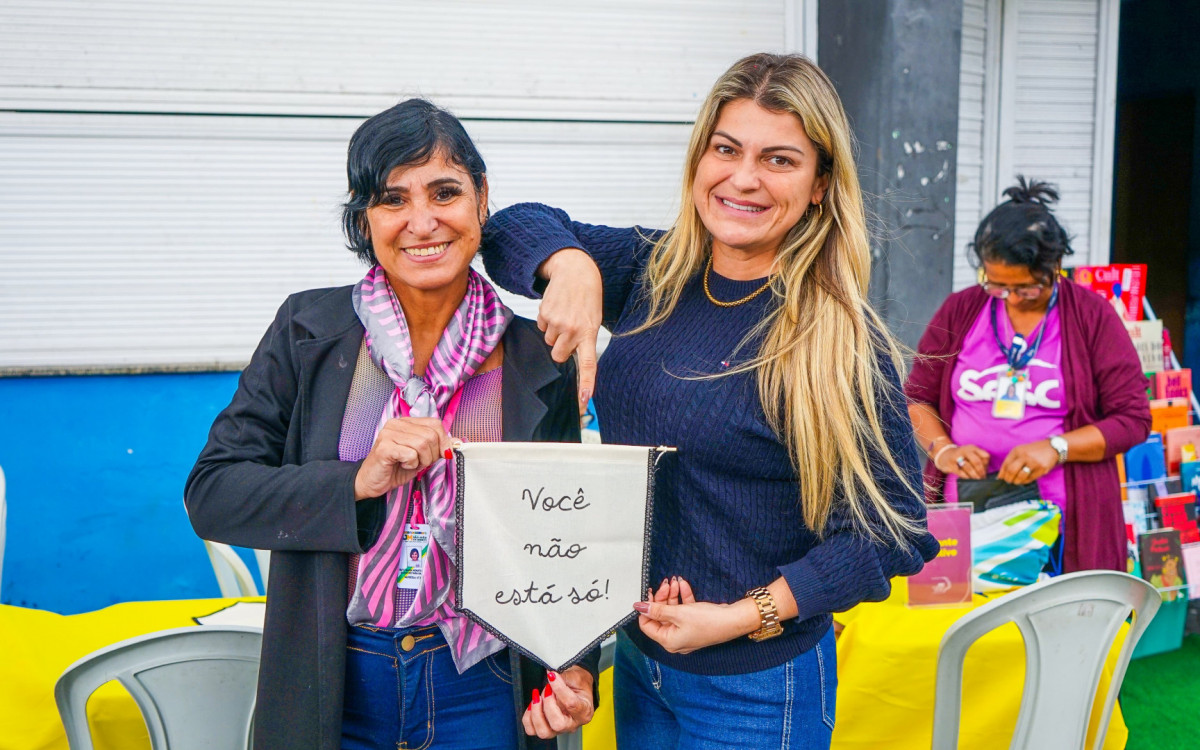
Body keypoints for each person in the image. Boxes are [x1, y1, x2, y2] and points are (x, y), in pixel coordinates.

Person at [479, 53, 939, 750]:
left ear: (819, 185)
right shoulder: (654, 273)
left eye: (779, 159)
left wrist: (741, 615)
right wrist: (569, 266)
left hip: (757, 687)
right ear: (700, 160)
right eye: (727, 149)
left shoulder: (833, 339)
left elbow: (895, 531)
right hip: (643, 665)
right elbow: (509, 227)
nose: (744, 177)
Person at [184, 99, 597, 750]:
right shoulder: (307, 332)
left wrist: (575, 667)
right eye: (392, 199)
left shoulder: (538, 356)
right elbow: (213, 496)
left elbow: (569, 536)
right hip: (335, 680)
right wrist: (357, 481)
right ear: (365, 217)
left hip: (483, 684)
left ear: (482, 199)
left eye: (445, 192)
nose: (422, 221)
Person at [905, 178, 1151, 573]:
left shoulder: (1092, 317)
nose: (1010, 297)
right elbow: (917, 397)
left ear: (1054, 268)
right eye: (996, 284)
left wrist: (1056, 448)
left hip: (1063, 519)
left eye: (1026, 288)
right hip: (964, 512)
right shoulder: (961, 309)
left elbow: (1132, 420)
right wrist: (943, 450)